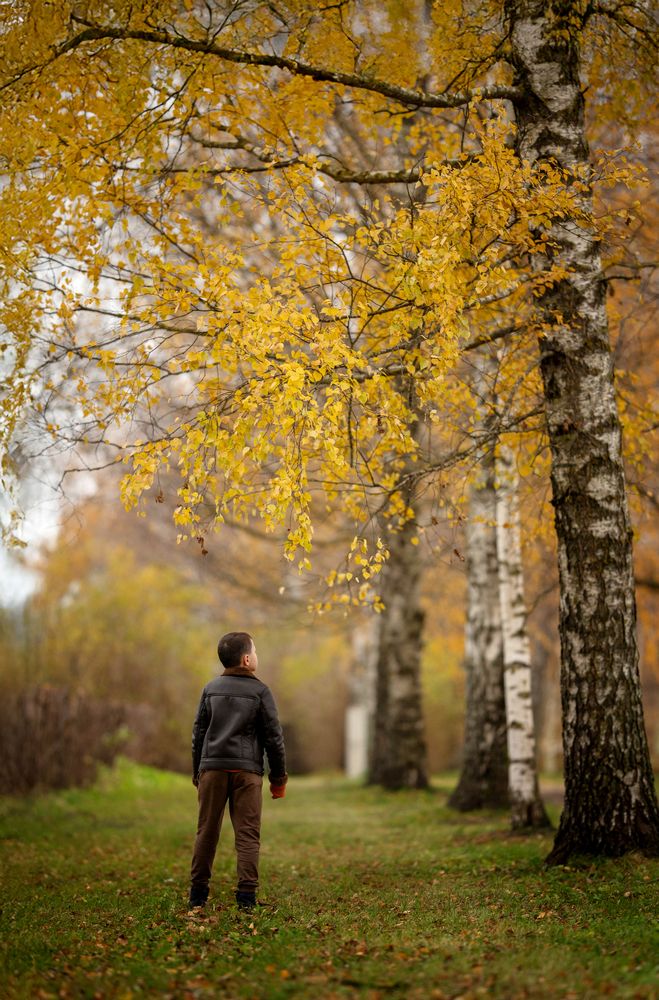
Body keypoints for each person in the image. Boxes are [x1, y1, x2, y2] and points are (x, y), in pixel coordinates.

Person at [189, 631, 287, 911]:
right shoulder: (260, 692)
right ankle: (246, 897)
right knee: (247, 834)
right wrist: (278, 778)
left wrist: (198, 772)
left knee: (206, 831)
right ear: (246, 659)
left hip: (212, 769)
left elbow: (198, 734)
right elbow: (274, 738)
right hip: (247, 773)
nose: (256, 655)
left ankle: (198, 894)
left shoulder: (210, 689)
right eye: (255, 651)